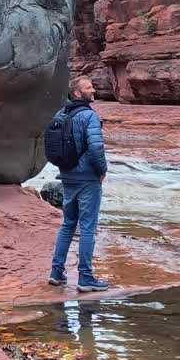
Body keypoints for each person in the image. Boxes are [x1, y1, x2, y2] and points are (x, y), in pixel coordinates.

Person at [48, 76, 110, 292]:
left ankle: (56, 273)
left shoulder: (61, 114)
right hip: (87, 179)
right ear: (77, 93)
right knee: (87, 228)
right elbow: (96, 148)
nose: (93, 90)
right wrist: (102, 171)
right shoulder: (89, 116)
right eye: (88, 87)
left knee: (67, 224)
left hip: (67, 176)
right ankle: (85, 277)